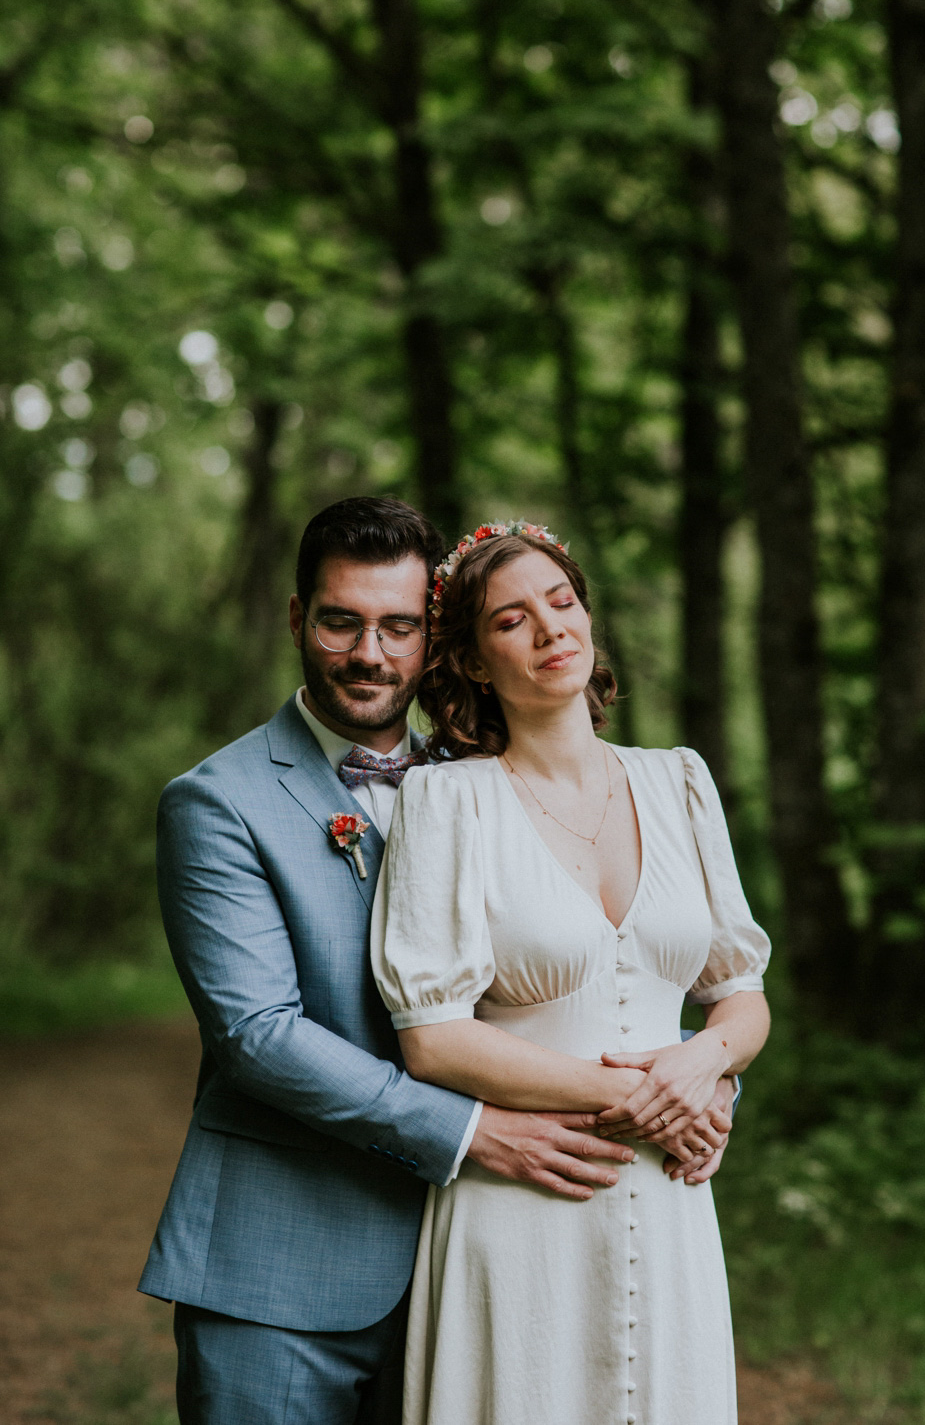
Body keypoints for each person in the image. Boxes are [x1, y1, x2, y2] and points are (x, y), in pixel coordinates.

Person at [139, 497, 640, 1425]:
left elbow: (588, 962)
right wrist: (470, 1128)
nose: (371, 653)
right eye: (341, 621)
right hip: (279, 1273)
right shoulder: (217, 802)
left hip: (476, 1263)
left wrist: (694, 1070)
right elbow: (258, 1036)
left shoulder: (487, 783)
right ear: (298, 619)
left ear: (433, 639)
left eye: (399, 626)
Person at [371, 520, 771, 1425]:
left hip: (671, 1206)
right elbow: (432, 1038)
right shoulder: (446, 803)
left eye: (562, 602)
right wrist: (639, 1098)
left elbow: (740, 994)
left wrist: (704, 1065)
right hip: (520, 1199)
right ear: (472, 660)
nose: (551, 630)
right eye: (511, 620)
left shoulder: (680, 783)